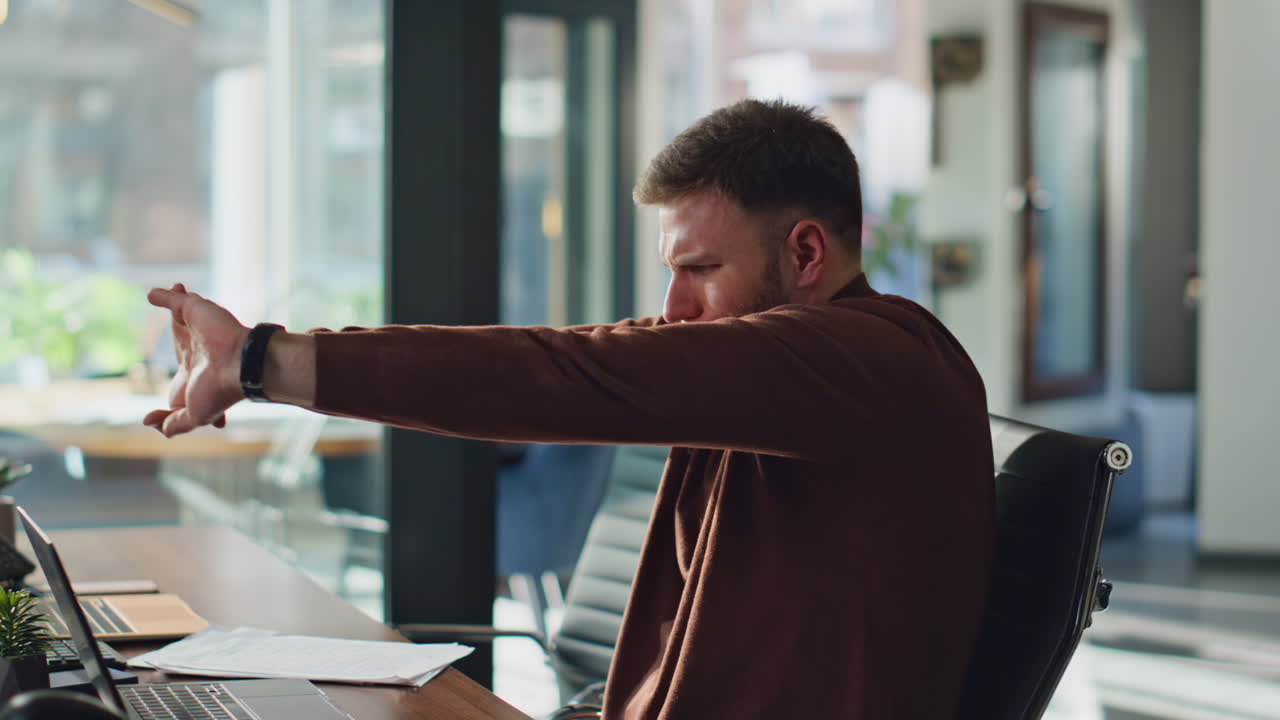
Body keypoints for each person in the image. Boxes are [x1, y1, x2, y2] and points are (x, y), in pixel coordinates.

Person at [144, 99, 994, 719]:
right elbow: (582, 353)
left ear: (806, 251)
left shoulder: (870, 358)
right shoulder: (781, 381)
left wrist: (259, 361)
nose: (673, 306)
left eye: (698, 268)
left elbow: (568, 373)